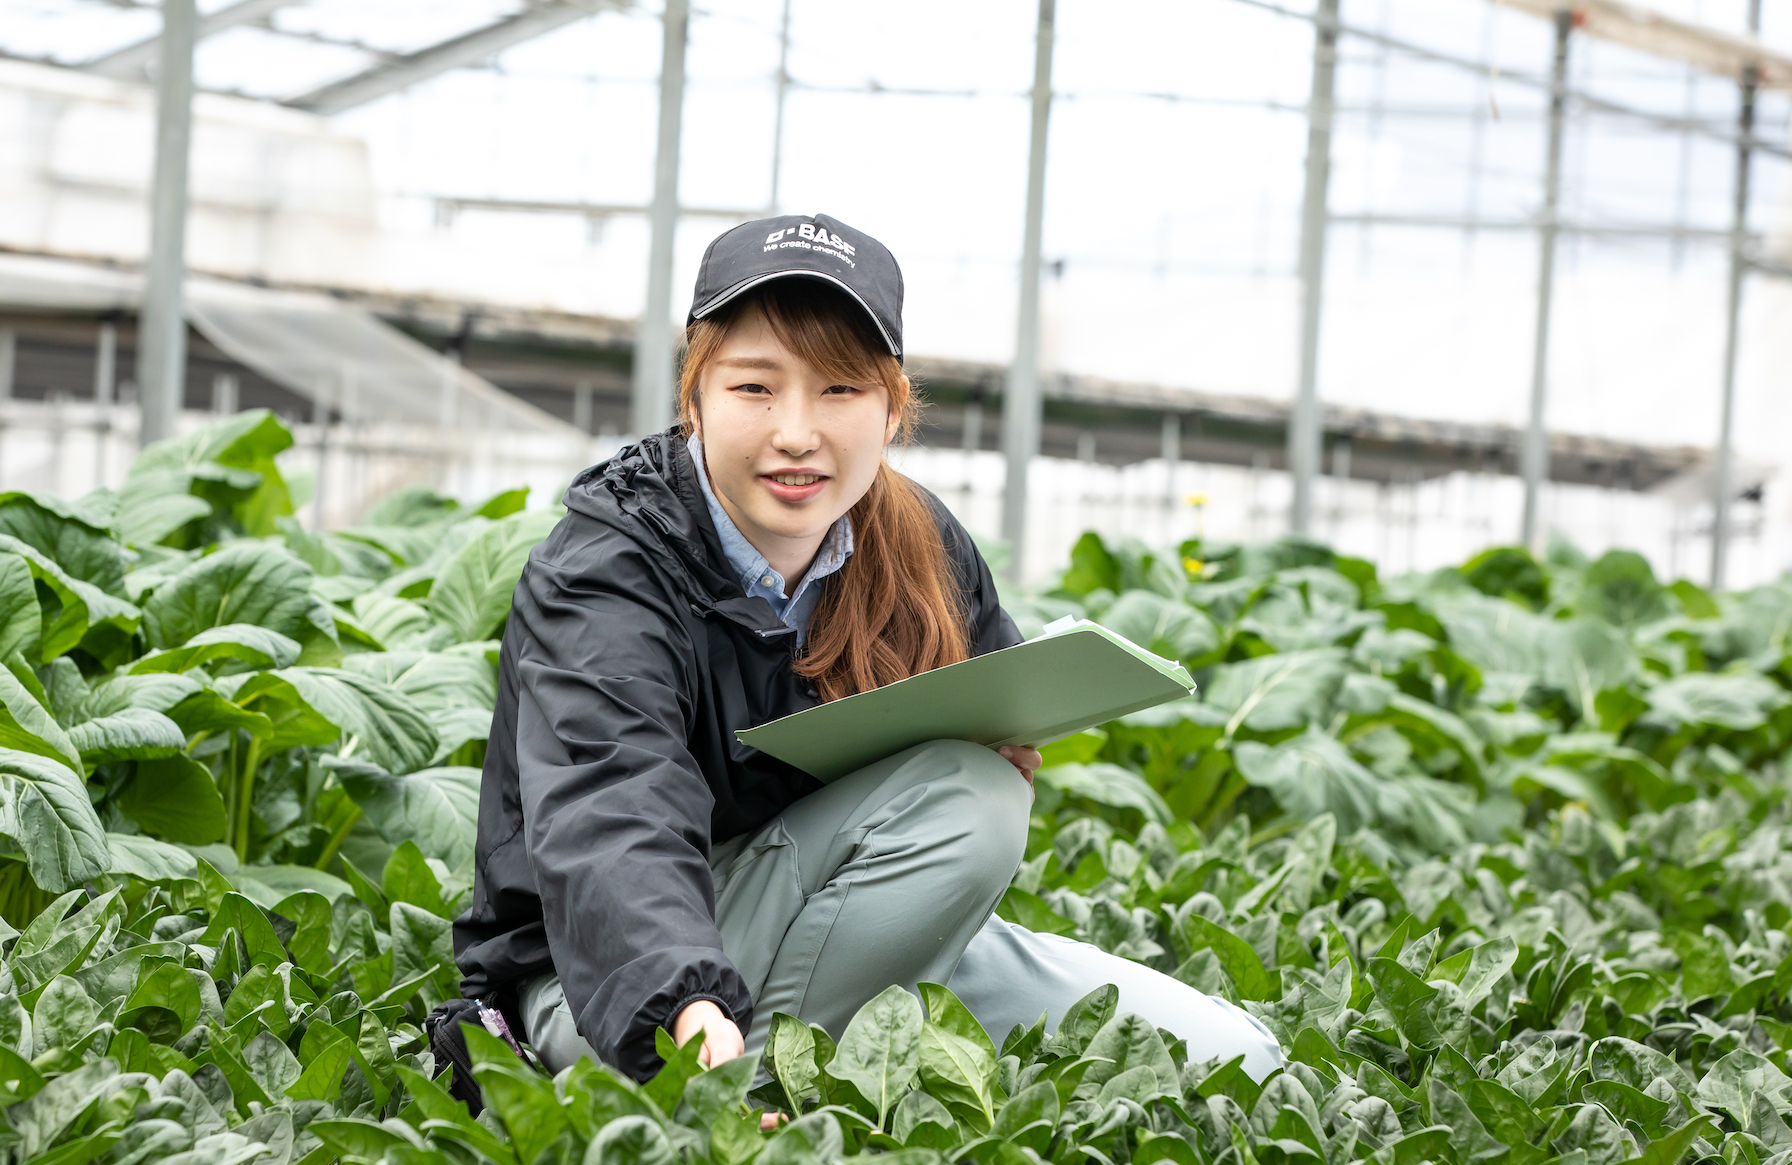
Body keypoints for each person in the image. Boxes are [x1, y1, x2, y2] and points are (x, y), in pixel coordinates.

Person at [452, 213, 1281, 1083]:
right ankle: (743, 1097)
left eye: (840, 390)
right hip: (610, 983)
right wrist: (683, 1004)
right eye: (755, 388)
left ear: (893, 410)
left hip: (832, 921)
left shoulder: (919, 541)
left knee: (1236, 1057)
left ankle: (799, 1067)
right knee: (969, 799)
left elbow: (981, 722)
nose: (797, 432)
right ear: (693, 398)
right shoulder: (610, 568)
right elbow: (611, 806)